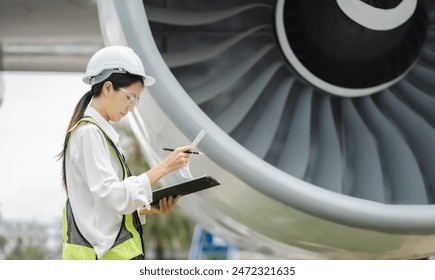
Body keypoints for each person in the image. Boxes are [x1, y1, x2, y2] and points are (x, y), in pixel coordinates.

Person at [59, 45, 192, 260]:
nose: (132, 107)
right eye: (130, 97)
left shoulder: (98, 133)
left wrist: (147, 209)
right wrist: (165, 167)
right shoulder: (90, 133)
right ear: (108, 87)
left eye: (136, 100)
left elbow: (101, 210)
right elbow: (112, 197)